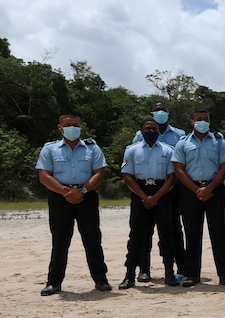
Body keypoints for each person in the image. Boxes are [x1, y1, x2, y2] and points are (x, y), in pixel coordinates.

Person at [35, 114, 111, 295]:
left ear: (81, 127)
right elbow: (44, 176)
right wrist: (65, 192)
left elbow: (99, 173)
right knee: (60, 241)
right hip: (60, 198)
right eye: (68, 125)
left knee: (92, 239)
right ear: (60, 128)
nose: (72, 128)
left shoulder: (92, 148)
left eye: (75, 125)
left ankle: (101, 279)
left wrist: (82, 191)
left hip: (87, 196)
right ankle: (53, 282)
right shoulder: (50, 149)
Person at [171, 108, 225, 288]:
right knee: (192, 233)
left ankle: (224, 274)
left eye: (206, 119)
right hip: (191, 191)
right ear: (192, 122)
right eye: (199, 119)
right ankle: (192, 275)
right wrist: (197, 189)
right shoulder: (182, 143)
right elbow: (179, 169)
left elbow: (224, 167)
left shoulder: (219, 142)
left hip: (215, 189)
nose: (203, 122)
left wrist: (209, 188)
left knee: (219, 233)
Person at [119, 117, 179, 288]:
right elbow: (128, 176)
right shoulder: (132, 150)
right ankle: (130, 274)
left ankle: (169, 273)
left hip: (162, 193)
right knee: (137, 235)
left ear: (159, 131)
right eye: (147, 128)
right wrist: (144, 197)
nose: (150, 131)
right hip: (140, 193)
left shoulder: (168, 150)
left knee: (166, 234)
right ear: (141, 131)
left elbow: (171, 178)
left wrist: (156, 197)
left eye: (154, 128)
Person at [130, 101, 187, 282]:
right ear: (151, 113)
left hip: (172, 186)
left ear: (168, 114)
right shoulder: (139, 135)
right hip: (145, 188)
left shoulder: (179, 135)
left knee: (173, 229)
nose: (160, 113)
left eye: (163, 110)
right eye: (157, 110)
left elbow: (181, 162)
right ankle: (143, 269)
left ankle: (179, 268)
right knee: (144, 230)